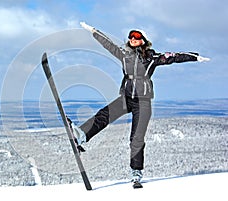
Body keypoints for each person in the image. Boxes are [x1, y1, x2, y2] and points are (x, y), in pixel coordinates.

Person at [69, 22, 210, 185]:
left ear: (143, 40)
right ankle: (82, 135)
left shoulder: (152, 57)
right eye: (130, 37)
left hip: (143, 102)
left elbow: (175, 57)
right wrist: (93, 31)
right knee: (105, 114)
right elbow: (108, 44)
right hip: (127, 96)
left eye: (136, 37)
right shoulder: (124, 54)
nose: (132, 39)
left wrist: (195, 57)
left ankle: (136, 171)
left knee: (136, 138)